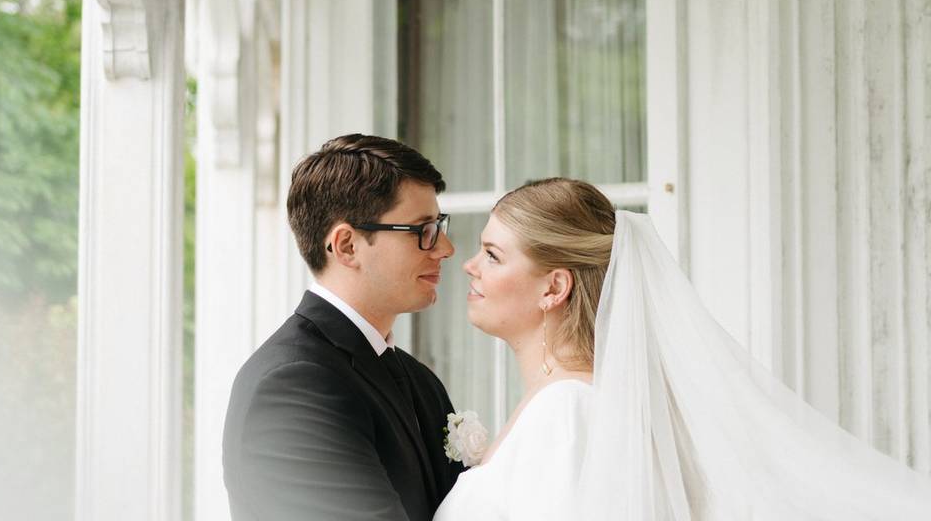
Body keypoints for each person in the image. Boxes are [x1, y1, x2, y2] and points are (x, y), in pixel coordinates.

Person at [434, 177, 931, 520]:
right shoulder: (567, 402)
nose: (469, 266)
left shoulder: (568, 411)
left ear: (554, 288)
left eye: (493, 255)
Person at [223, 134, 464, 521]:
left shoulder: (421, 381)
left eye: (439, 225)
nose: (445, 247)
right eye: (423, 230)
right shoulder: (292, 386)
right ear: (347, 246)